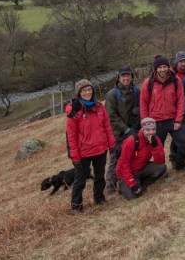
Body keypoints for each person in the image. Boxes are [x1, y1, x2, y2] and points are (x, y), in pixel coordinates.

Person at [65, 79, 115, 211]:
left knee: (99, 176)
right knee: (80, 180)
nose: (87, 92)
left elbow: (107, 127)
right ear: (79, 93)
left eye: (89, 89)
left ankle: (99, 198)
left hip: (100, 148)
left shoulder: (99, 106)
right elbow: (71, 135)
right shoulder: (74, 110)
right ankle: (76, 206)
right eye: (84, 90)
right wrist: (75, 156)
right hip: (84, 152)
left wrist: (111, 144)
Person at [140, 54, 185, 170]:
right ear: (155, 69)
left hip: (173, 120)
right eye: (160, 67)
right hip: (156, 122)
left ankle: (179, 164)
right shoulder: (148, 83)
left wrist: (178, 120)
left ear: (168, 67)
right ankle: (161, 169)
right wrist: (146, 123)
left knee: (184, 143)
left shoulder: (176, 80)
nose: (162, 69)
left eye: (164, 66)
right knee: (157, 148)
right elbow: (143, 104)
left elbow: (181, 101)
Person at [104, 66, 140, 194]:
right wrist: (126, 130)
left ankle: (125, 180)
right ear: (119, 78)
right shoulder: (112, 94)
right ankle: (110, 185)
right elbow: (111, 116)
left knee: (131, 156)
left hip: (132, 130)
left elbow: (138, 111)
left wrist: (134, 129)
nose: (126, 78)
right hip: (118, 133)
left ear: (131, 77)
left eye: (128, 76)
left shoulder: (136, 91)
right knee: (115, 158)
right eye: (123, 76)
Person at [116, 117, 167, 200]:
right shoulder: (131, 140)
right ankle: (122, 185)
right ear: (142, 130)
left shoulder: (156, 140)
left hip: (142, 169)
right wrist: (132, 184)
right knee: (133, 196)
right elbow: (123, 165)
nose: (151, 132)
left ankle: (141, 184)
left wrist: (155, 147)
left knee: (162, 167)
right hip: (127, 173)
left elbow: (160, 161)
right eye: (148, 130)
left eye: (153, 129)